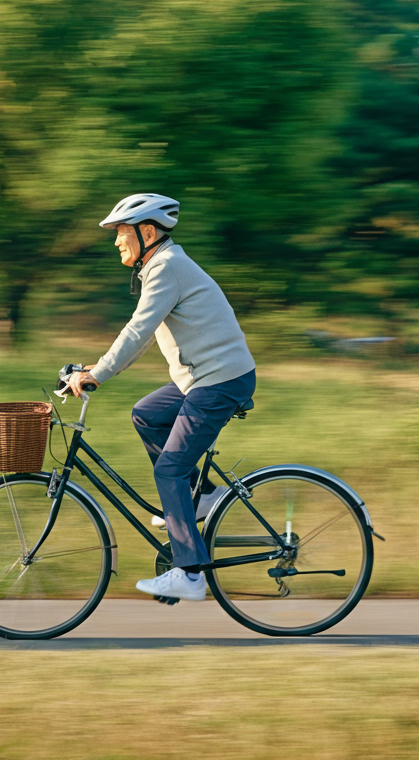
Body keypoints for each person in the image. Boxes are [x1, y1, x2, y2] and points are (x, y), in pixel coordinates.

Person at [64, 193, 256, 602]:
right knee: (147, 414)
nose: (117, 242)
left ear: (147, 232)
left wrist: (96, 373)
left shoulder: (166, 267)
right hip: (206, 377)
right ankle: (199, 498)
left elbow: (137, 329)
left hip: (218, 381)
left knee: (169, 470)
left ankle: (189, 573)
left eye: (121, 234)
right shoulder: (163, 266)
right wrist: (96, 370)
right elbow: (147, 335)